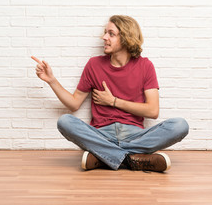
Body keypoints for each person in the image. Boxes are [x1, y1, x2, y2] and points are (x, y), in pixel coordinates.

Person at [31, 15, 189, 172]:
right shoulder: (94, 64)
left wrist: (114, 101)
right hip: (101, 135)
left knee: (180, 125)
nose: (104, 37)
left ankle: (104, 157)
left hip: (135, 136)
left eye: (111, 34)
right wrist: (51, 80)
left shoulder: (145, 66)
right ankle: (132, 159)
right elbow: (74, 103)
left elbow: (152, 111)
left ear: (126, 37)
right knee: (64, 121)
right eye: (105, 33)